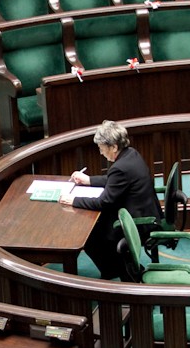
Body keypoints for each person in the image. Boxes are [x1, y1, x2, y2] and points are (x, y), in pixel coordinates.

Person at [58, 120, 162, 280]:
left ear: (113, 147)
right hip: (145, 212)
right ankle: (118, 268)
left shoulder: (120, 167)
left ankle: (119, 270)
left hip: (138, 222)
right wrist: (89, 180)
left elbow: (103, 202)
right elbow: (114, 181)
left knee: (90, 234)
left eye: (101, 148)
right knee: (97, 226)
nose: (100, 152)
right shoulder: (131, 154)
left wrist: (73, 200)